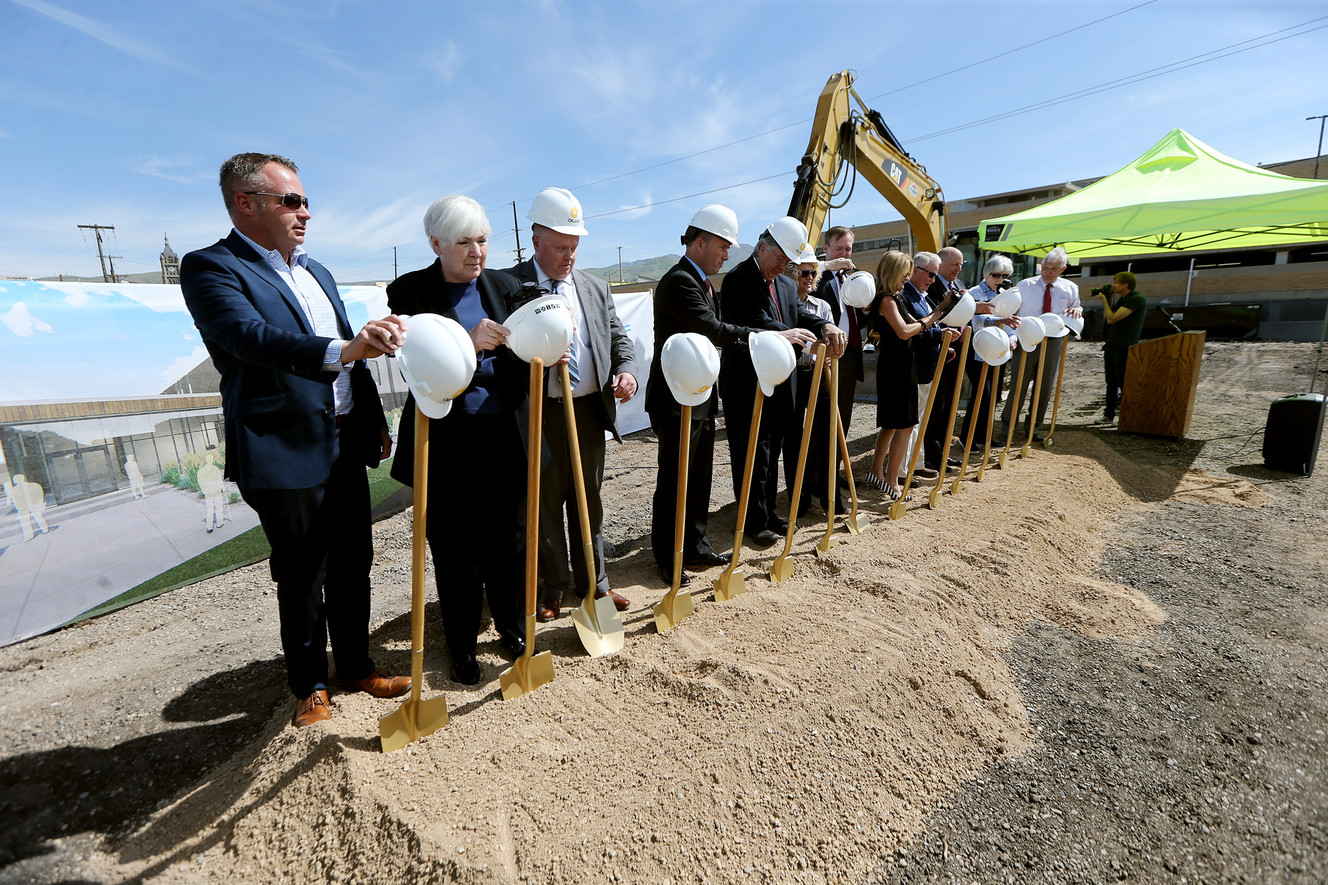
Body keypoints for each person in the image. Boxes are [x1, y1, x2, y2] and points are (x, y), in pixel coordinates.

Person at [180, 152, 409, 728]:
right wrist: (346, 350)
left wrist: (374, 418)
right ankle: (309, 684)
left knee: (355, 560)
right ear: (245, 204)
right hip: (283, 445)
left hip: (344, 440)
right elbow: (246, 337)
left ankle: (355, 667)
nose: (305, 212)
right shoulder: (212, 268)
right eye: (291, 201)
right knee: (305, 571)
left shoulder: (317, 271)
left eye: (306, 200)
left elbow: (350, 349)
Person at [388, 194, 528, 686]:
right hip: (444, 439)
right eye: (465, 242)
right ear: (436, 243)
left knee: (508, 540)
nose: (477, 252)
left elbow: (523, 353)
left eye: (483, 240)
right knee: (454, 549)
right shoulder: (408, 293)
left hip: (500, 434)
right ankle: (462, 646)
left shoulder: (506, 286)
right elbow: (419, 360)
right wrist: (468, 343)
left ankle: (512, 629)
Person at [644, 205, 816, 587]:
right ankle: (668, 555)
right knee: (676, 477)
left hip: (698, 392)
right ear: (700, 242)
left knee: (700, 474)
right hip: (674, 396)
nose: (727, 255)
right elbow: (713, 329)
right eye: (723, 247)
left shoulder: (701, 280)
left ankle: (694, 543)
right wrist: (768, 337)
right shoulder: (679, 281)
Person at [501, 187, 638, 623]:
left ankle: (595, 584)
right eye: (560, 247)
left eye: (575, 247)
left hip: (587, 410)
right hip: (537, 412)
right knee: (543, 501)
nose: (569, 256)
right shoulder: (507, 286)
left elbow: (618, 337)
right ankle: (552, 586)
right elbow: (500, 351)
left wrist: (628, 369)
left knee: (589, 499)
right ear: (536, 238)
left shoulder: (595, 287)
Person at [718, 217, 845, 547]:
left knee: (771, 451)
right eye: (780, 260)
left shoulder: (787, 286)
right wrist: (779, 333)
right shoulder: (737, 280)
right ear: (763, 248)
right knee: (751, 454)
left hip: (781, 383)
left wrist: (823, 327)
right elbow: (758, 321)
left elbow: (797, 315)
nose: (783, 267)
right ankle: (751, 520)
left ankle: (767, 511)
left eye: (788, 262)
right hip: (747, 383)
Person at [865, 252, 951, 502]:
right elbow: (905, 332)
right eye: (905, 272)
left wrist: (934, 317)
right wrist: (933, 319)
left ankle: (875, 471)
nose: (907, 277)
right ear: (893, 272)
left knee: (891, 424)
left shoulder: (895, 298)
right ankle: (892, 480)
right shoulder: (886, 300)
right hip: (896, 368)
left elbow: (917, 323)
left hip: (900, 365)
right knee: (905, 425)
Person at [1001, 246, 1083, 441]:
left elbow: (1075, 308)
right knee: (1018, 385)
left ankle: (1033, 428)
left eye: (1053, 269)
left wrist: (1078, 309)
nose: (1047, 272)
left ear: (1063, 269)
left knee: (1044, 387)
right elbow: (1011, 313)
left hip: (1054, 341)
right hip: (1026, 340)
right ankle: (1007, 429)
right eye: (1044, 267)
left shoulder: (1070, 288)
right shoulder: (1024, 286)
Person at [811, 226, 862, 510]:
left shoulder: (852, 279)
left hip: (851, 354)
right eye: (840, 248)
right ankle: (820, 481)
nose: (845, 255)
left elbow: (854, 316)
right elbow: (794, 277)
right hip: (827, 356)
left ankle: (834, 472)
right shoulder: (816, 274)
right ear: (827, 248)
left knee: (843, 420)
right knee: (825, 423)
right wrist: (828, 266)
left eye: (849, 249)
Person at [897, 251, 955, 481]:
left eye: (935, 274)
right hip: (915, 365)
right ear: (915, 270)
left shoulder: (922, 295)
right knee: (909, 422)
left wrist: (942, 344)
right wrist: (939, 337)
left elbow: (931, 320)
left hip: (927, 365)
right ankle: (902, 470)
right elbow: (916, 330)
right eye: (930, 274)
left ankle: (916, 463)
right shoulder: (906, 296)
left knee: (920, 419)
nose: (933, 279)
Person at [785, 257, 835, 516]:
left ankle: (830, 495)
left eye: (813, 273)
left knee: (828, 432)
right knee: (793, 437)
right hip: (792, 374)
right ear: (792, 274)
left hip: (818, 372)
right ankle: (798, 497)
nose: (809, 278)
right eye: (803, 272)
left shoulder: (823, 307)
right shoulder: (783, 305)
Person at [959, 255, 1019, 449]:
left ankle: (985, 436)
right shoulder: (973, 293)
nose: (1000, 280)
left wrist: (1012, 337)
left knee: (993, 396)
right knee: (980, 395)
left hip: (999, 352)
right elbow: (976, 320)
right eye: (996, 275)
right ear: (987, 274)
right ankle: (967, 438)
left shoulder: (1004, 293)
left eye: (1004, 275)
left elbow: (1011, 320)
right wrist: (999, 321)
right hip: (978, 351)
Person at [923, 246, 969, 471]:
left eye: (961, 265)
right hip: (939, 349)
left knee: (950, 403)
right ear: (941, 265)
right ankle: (931, 453)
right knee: (936, 405)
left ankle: (942, 452)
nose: (959, 269)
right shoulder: (931, 286)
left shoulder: (959, 285)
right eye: (955, 265)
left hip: (956, 349)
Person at [1093, 271, 1146, 423]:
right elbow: (1110, 317)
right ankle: (1108, 415)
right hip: (1112, 346)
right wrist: (1108, 299)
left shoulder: (1136, 299)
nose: (1113, 285)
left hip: (1123, 347)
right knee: (1111, 382)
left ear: (1125, 284)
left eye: (1116, 282)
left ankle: (1127, 416)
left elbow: (1111, 319)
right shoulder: (1122, 300)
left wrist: (1104, 301)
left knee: (1123, 383)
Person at [197, 453, 224, 533]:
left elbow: (200, 482)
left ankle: (209, 527)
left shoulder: (201, 471)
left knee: (210, 509)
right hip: (216, 491)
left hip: (209, 492)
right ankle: (219, 523)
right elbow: (219, 479)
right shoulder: (215, 469)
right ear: (211, 460)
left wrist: (204, 490)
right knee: (219, 507)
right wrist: (222, 487)